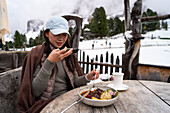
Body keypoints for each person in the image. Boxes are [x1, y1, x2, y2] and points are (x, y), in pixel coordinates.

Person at [17, 16, 100, 113]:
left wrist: (87, 77)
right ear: (47, 33)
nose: (61, 39)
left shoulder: (67, 53)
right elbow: (35, 91)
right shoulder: (38, 54)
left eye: (64, 35)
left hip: (69, 100)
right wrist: (50, 62)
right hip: (48, 105)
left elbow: (75, 82)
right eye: (57, 34)